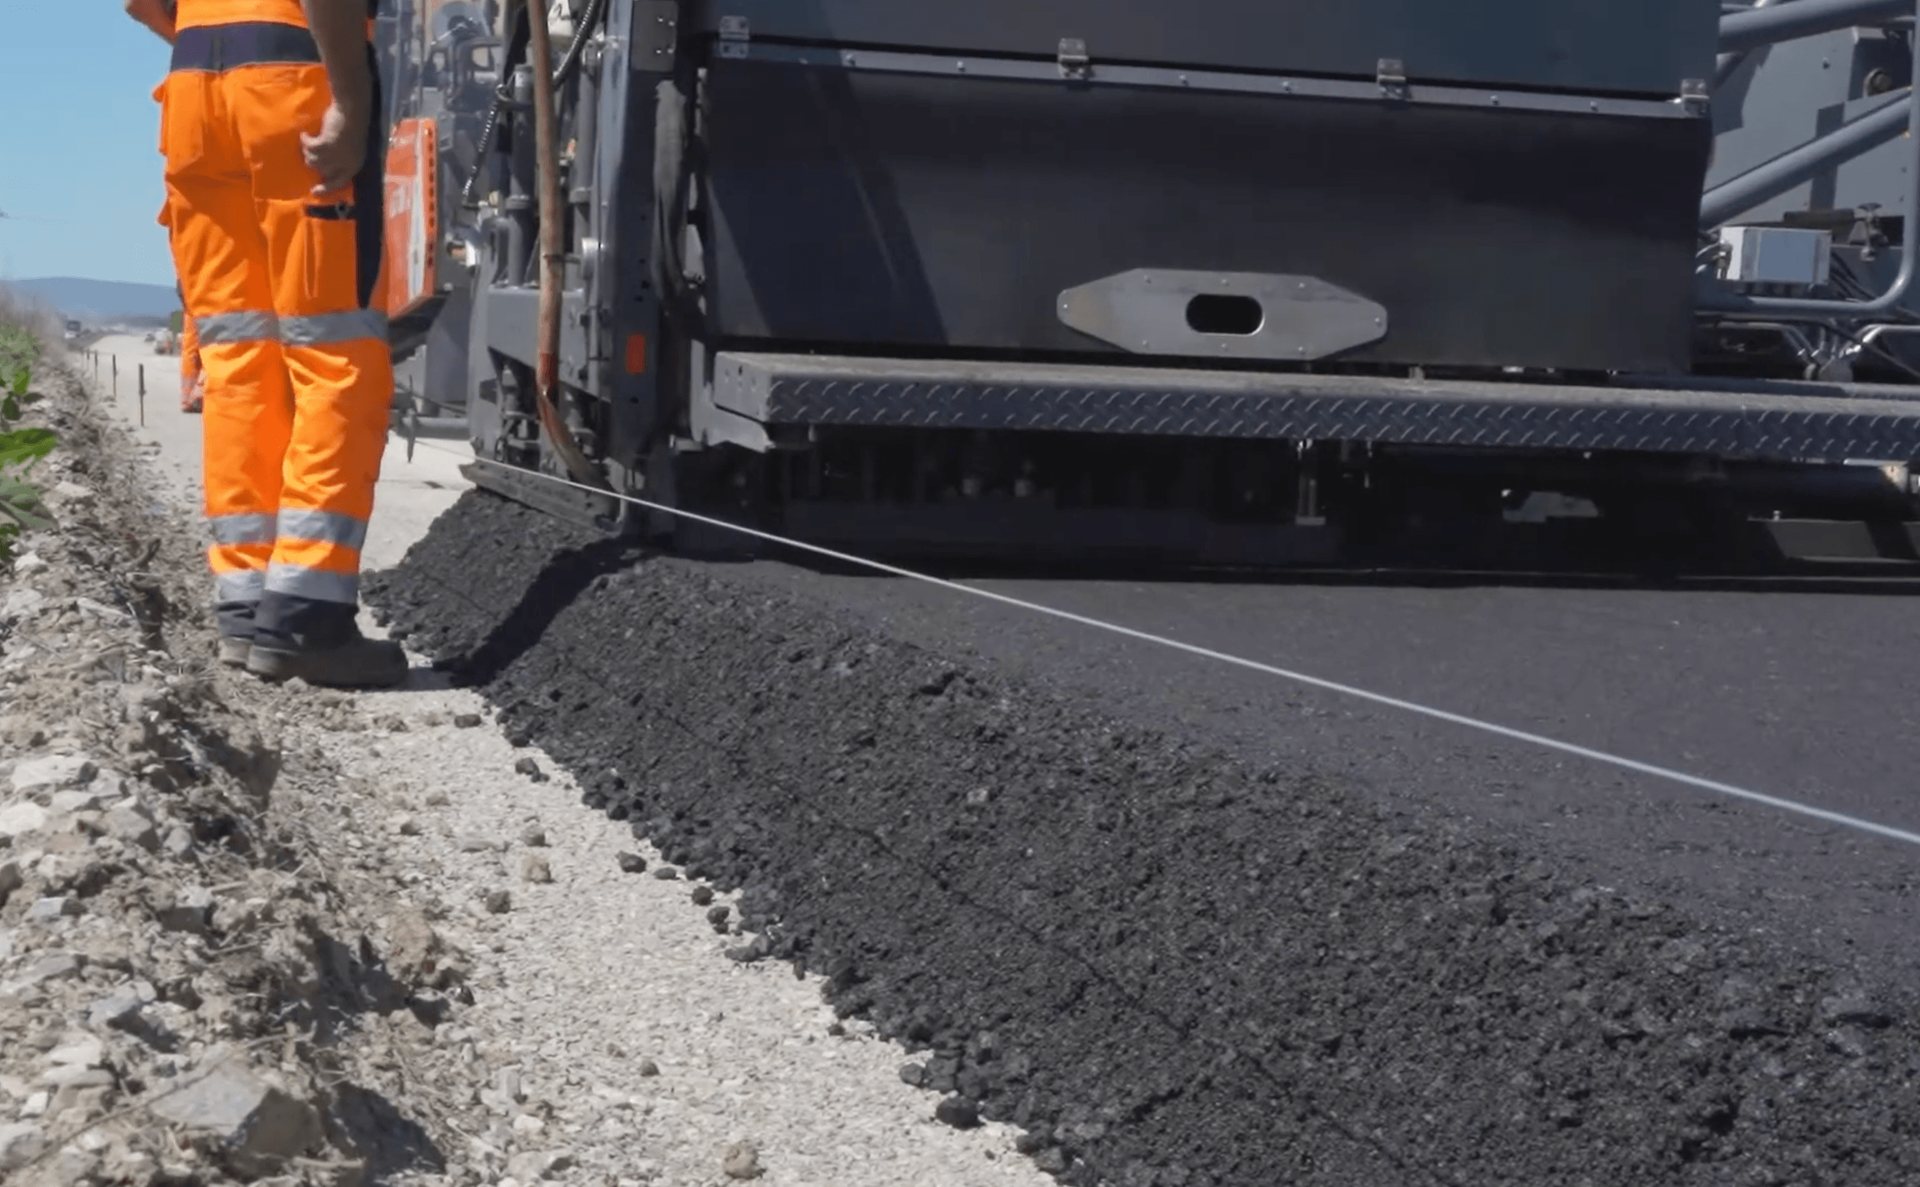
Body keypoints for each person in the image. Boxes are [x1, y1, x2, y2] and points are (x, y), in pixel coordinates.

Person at [126, 0, 405, 688]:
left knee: (240, 359)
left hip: (194, 96)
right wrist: (350, 99)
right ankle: (308, 619)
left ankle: (249, 609)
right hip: (295, 87)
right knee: (334, 356)